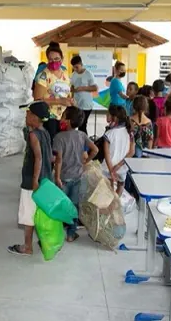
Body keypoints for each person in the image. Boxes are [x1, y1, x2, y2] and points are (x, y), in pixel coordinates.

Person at [8, 101, 54, 256]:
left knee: (28, 215)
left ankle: (27, 247)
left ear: (35, 117)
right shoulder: (44, 133)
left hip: (32, 182)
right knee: (39, 213)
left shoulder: (34, 136)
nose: (26, 115)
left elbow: (39, 158)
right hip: (46, 179)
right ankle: (44, 241)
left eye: (28, 113)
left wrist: (34, 180)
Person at [53, 106, 99, 242]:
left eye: (63, 116)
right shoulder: (82, 135)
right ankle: (71, 234)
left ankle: (58, 231)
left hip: (63, 177)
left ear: (67, 121)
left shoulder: (59, 137)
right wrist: (85, 162)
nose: (61, 118)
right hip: (78, 176)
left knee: (61, 205)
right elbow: (95, 150)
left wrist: (56, 177)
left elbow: (59, 160)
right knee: (74, 205)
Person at [33, 42, 73, 142]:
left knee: (62, 147)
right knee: (52, 147)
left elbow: (68, 92)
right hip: (49, 117)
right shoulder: (43, 76)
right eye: (50, 59)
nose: (53, 62)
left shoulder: (65, 74)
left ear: (62, 59)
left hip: (64, 118)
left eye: (56, 59)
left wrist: (71, 101)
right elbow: (38, 100)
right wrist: (59, 101)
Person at [102, 105, 134, 196]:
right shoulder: (129, 132)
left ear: (114, 118)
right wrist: (119, 166)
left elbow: (107, 155)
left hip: (108, 168)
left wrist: (112, 170)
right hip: (122, 168)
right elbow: (132, 152)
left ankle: (111, 208)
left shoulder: (109, 134)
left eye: (108, 114)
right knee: (120, 187)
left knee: (109, 192)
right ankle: (117, 204)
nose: (106, 115)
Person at [70, 55, 98, 135]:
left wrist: (82, 88)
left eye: (77, 67)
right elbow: (72, 86)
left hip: (86, 105)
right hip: (76, 104)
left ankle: (85, 144)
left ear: (81, 64)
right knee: (77, 125)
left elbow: (95, 88)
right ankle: (79, 142)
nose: (75, 69)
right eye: (74, 68)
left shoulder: (88, 74)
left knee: (82, 125)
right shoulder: (73, 74)